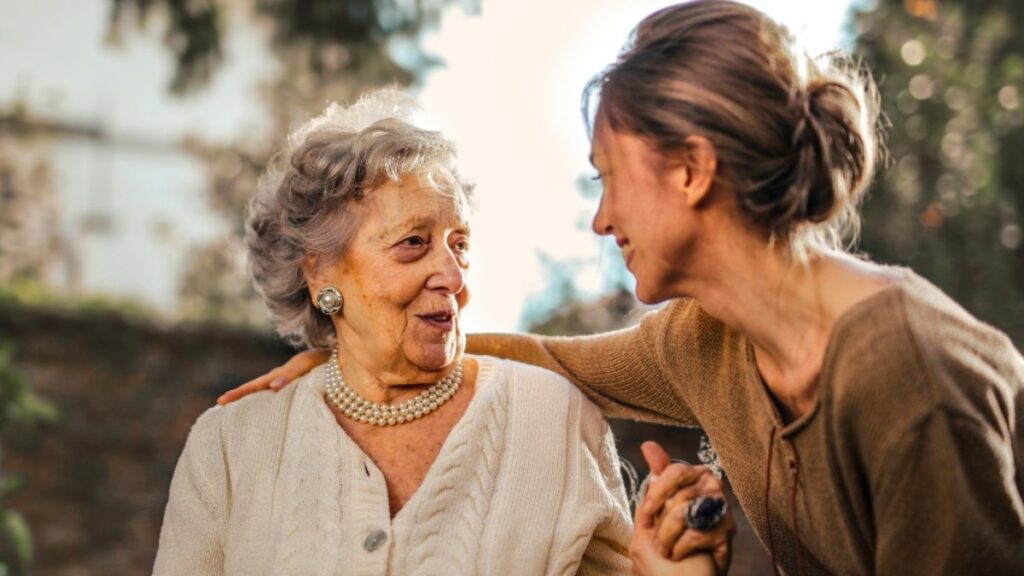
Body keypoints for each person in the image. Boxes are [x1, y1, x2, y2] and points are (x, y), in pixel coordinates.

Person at [221, 1, 1024, 574]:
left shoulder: (907, 375)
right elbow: (551, 361)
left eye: (609, 178)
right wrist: (359, 357)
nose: (601, 220)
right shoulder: (705, 339)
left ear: (691, 169)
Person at [154, 92, 728, 576]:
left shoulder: (552, 416)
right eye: (413, 244)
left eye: (460, 245)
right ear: (320, 271)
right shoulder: (230, 446)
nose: (453, 278)